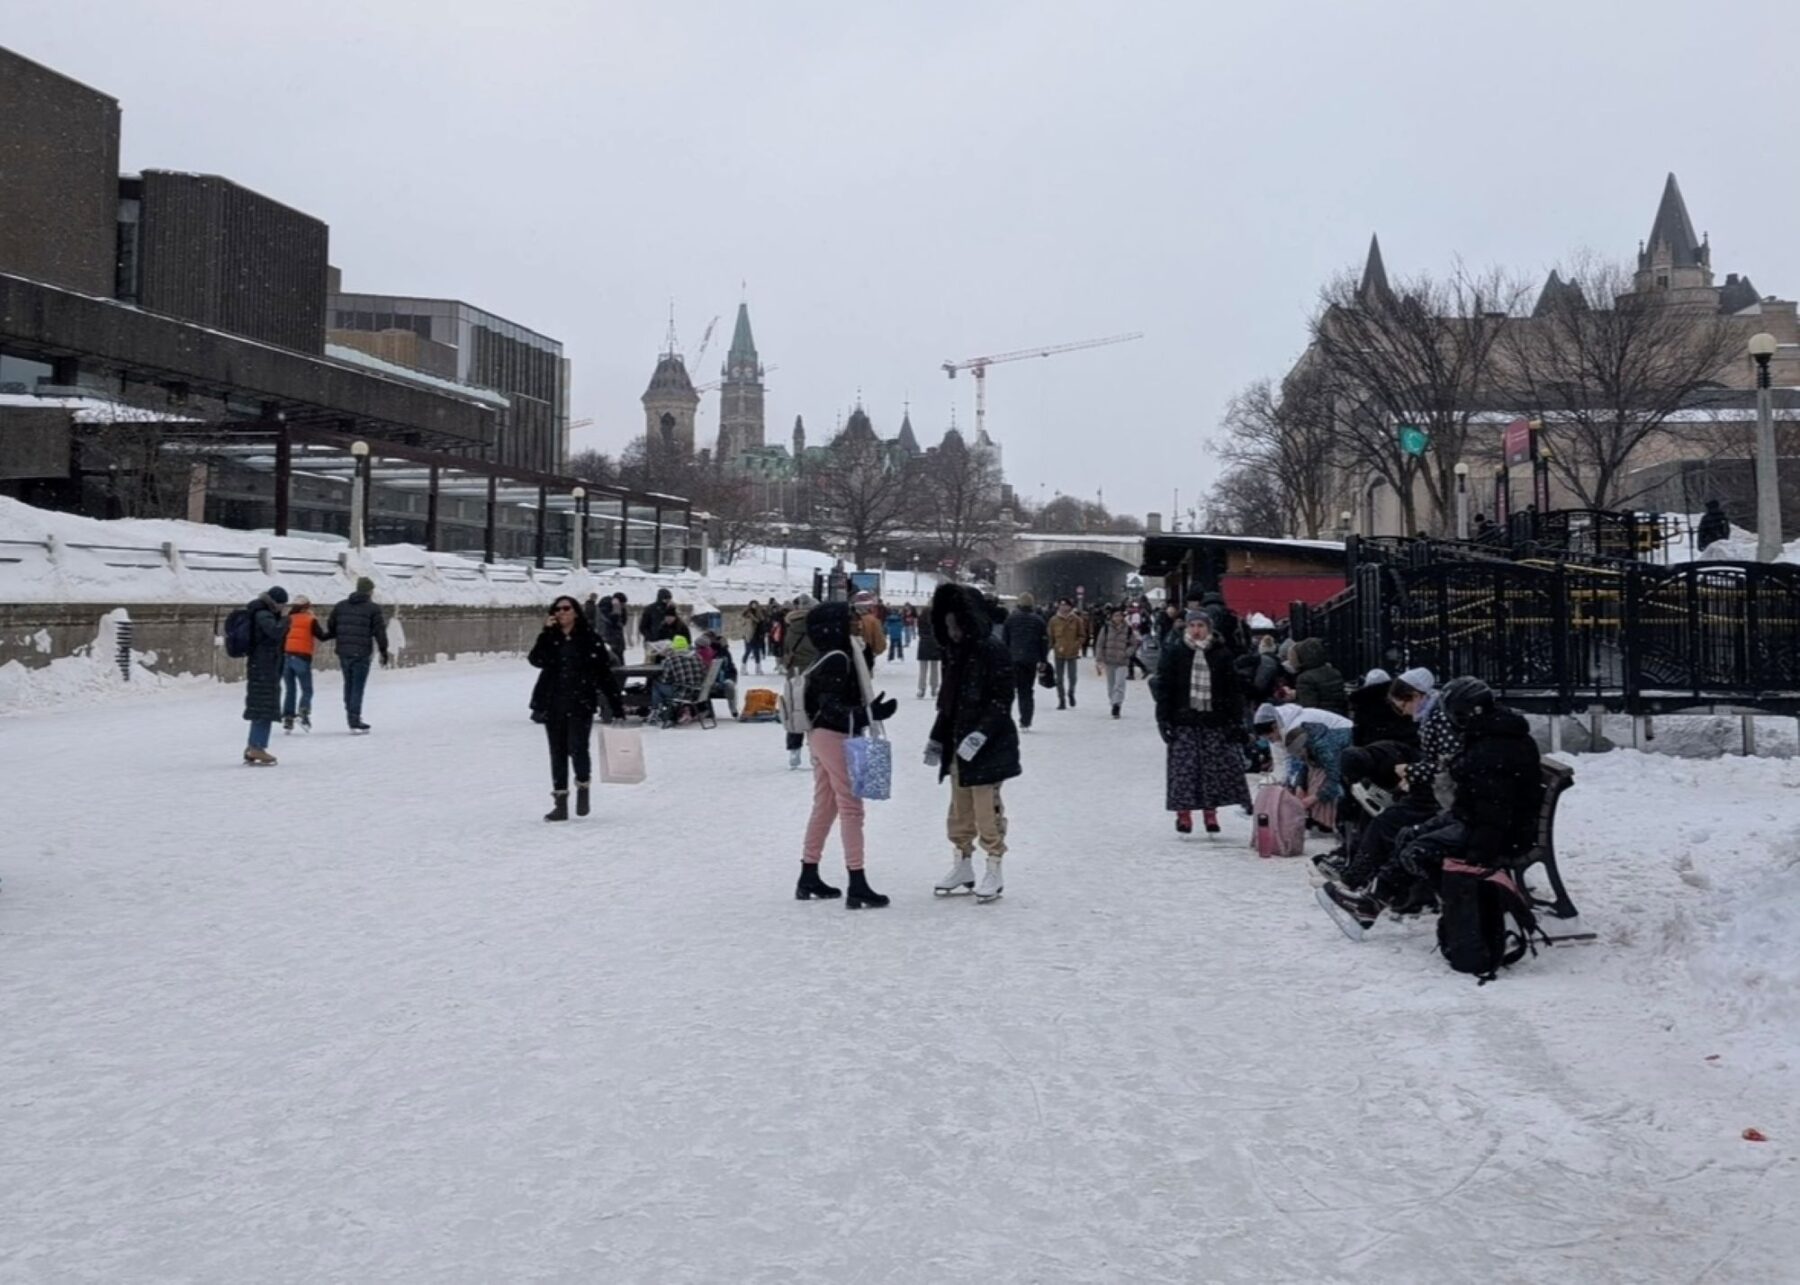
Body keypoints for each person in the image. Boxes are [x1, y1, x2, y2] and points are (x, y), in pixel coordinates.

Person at [1321, 678, 1543, 934]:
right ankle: (1372, 903)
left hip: (1498, 831)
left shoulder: (1492, 746)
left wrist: (1476, 857)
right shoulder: (1487, 736)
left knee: (1417, 848)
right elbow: (1474, 787)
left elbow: (1494, 807)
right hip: (1473, 817)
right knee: (1408, 834)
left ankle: (1455, 909)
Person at [796, 601, 897, 908]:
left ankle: (809, 874)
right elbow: (833, 707)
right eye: (850, 618)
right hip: (836, 735)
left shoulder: (828, 655)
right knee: (851, 807)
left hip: (819, 734)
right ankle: (857, 882)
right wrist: (868, 713)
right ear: (835, 626)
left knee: (825, 805)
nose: (857, 622)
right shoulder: (838, 659)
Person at [927, 583, 1021, 902]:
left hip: (989, 745)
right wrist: (938, 737)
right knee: (959, 808)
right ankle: (963, 861)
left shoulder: (992, 650)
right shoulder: (954, 653)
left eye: (956, 625)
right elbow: (949, 702)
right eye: (947, 625)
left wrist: (981, 733)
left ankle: (994, 865)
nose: (951, 631)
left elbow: (1002, 698)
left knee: (986, 807)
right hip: (957, 741)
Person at [1326, 668, 1460, 889]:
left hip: (1443, 795)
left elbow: (1449, 765)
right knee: (1385, 819)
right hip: (1438, 791)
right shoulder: (1436, 715)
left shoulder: (1438, 718)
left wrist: (1411, 771)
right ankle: (1363, 877)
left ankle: (1359, 879)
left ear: (1416, 696)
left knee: (1387, 823)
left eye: (1403, 706)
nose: (1405, 713)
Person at [527, 595, 624, 822]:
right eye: (557, 609)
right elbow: (536, 660)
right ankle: (560, 802)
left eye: (566, 608)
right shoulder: (551, 638)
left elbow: (603, 673)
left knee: (578, 748)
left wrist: (616, 705)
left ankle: (583, 787)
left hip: (580, 702)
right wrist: (545, 633)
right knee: (557, 752)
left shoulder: (590, 639)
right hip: (553, 702)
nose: (561, 613)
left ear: (576, 612)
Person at [1155, 609, 1251, 834]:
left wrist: (1235, 720)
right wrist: (1163, 719)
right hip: (1183, 719)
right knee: (1184, 771)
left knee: (1212, 770)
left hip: (1214, 720)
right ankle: (1184, 815)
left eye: (1201, 626)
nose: (1196, 631)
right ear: (1186, 628)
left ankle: (1210, 814)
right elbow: (1165, 687)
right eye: (1192, 626)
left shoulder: (1221, 654)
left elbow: (1232, 690)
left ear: (1209, 628)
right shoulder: (1175, 652)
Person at [326, 576, 389, 732]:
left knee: (349, 683)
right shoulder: (373, 608)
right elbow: (379, 631)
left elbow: (331, 625)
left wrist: (340, 634)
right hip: (361, 652)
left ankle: (351, 715)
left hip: (344, 651)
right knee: (357, 686)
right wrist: (383, 651)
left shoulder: (341, 606)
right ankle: (354, 718)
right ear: (369, 591)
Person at [241, 586, 291, 765]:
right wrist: (285, 619)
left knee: (261, 706)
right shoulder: (263, 614)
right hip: (264, 667)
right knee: (265, 708)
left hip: (262, 666)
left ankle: (253, 745)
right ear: (275, 602)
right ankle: (257, 747)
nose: (283, 608)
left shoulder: (261, 612)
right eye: (282, 604)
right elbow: (275, 632)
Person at [280, 594, 328, 732]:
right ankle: (303, 714)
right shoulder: (310, 620)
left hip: (287, 656)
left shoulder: (287, 619)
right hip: (302, 657)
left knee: (290, 689)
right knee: (307, 689)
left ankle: (288, 719)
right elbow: (322, 636)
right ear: (307, 607)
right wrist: (334, 632)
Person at [1002, 592, 1049, 730]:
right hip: (1030, 660)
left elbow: (1005, 640)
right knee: (1026, 691)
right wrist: (1043, 659)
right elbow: (1044, 642)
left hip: (1013, 659)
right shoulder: (1038, 620)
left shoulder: (1011, 619)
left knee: (1009, 690)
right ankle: (1026, 720)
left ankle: (1004, 718)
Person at [1349, 668, 1419, 748]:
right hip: (1401, 747)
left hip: (1372, 747)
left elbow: (1358, 732)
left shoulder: (1362, 703)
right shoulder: (1399, 699)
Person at [650, 634, 706, 724]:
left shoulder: (672, 659)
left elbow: (665, 679)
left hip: (682, 693)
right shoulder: (697, 657)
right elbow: (704, 673)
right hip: (699, 692)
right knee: (665, 685)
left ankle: (656, 710)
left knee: (656, 684)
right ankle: (677, 710)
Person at [1288, 637, 1349, 716]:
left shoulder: (1305, 678)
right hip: (1338, 715)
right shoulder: (1334, 672)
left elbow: (1308, 706)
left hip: (1321, 717)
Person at [1094, 605, 1136, 718]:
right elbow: (1100, 644)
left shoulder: (1128, 629)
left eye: (1120, 615)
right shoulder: (1106, 628)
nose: (1118, 618)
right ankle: (1113, 701)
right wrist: (1099, 658)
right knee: (1111, 685)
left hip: (1122, 661)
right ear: (1111, 617)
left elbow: (1133, 644)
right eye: (1115, 615)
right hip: (1109, 660)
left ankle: (1117, 705)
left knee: (1120, 684)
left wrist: (1127, 653)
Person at [1047, 598, 1087, 710]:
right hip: (1058, 651)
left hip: (1072, 652)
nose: (1063, 607)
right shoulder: (1053, 620)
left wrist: (1077, 644)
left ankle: (1071, 692)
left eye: (1066, 605)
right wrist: (1048, 649)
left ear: (1070, 607)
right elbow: (1050, 637)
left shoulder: (1076, 620)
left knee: (1072, 676)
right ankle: (1061, 699)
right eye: (1061, 605)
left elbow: (1082, 635)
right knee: (1059, 678)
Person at [695, 631, 740, 719]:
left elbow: (730, 667)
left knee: (729, 685)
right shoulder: (702, 651)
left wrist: (729, 678)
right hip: (709, 680)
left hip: (722, 678)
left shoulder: (721, 652)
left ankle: (733, 709)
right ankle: (706, 710)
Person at [915, 600, 942, 700]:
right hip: (935, 643)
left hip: (924, 643)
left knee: (923, 668)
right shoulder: (938, 617)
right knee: (934, 668)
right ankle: (934, 688)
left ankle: (921, 688)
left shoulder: (922, 617)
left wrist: (924, 636)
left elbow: (919, 630)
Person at [852, 591, 888, 660]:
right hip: (867, 657)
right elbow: (880, 646)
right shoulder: (873, 621)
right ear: (870, 606)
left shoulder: (849, 618)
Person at [599, 593, 628, 661]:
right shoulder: (606, 609)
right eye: (622, 604)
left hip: (618, 642)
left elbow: (623, 622)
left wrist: (622, 612)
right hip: (610, 641)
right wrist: (616, 613)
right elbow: (611, 622)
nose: (623, 606)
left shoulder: (619, 610)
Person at [743, 600, 769, 675]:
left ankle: (758, 668)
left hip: (757, 635)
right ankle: (743, 668)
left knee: (757, 652)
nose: (754, 606)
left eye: (755, 604)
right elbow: (745, 626)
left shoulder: (759, 614)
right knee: (747, 652)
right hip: (749, 635)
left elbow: (761, 623)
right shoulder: (747, 614)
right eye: (753, 604)